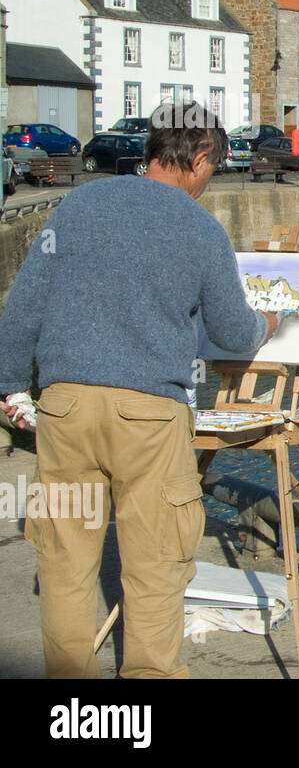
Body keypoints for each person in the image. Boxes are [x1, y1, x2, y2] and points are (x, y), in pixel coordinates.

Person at [0, 101, 277, 679]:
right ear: (200, 156)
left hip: (65, 408)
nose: (208, 181)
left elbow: (23, 308)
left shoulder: (79, 205)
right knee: (155, 566)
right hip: (149, 418)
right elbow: (232, 332)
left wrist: (8, 386)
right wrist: (267, 324)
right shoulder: (200, 229)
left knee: (65, 565)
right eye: (213, 168)